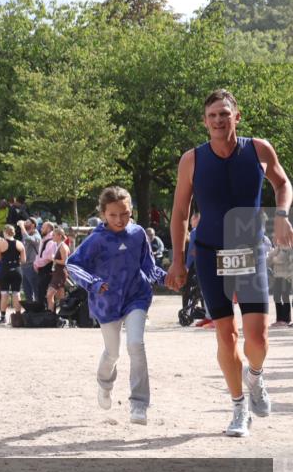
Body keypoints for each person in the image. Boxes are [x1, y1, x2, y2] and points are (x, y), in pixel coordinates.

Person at [167, 89, 293, 437]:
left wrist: (281, 215)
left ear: (237, 116)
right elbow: (179, 212)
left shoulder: (259, 149)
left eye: (225, 114)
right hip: (209, 252)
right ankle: (238, 407)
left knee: (259, 337)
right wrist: (178, 261)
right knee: (226, 334)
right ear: (205, 123)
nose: (219, 121)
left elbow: (283, 183)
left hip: (250, 249)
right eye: (213, 116)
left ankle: (255, 376)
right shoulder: (191, 160)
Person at [67, 187, 166, 425]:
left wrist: (167, 278)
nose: (120, 220)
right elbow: (72, 265)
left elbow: (149, 267)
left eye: (125, 214)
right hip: (106, 302)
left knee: (136, 344)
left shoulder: (138, 234)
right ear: (103, 214)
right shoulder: (96, 240)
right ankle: (104, 384)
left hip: (136, 296)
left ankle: (139, 404)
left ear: (131, 211)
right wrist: (93, 282)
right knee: (112, 353)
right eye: (113, 215)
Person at [0, 224, 26, 324]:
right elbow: (24, 260)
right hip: (17, 269)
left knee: (4, 294)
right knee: (17, 294)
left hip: (5, 269)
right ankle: (18, 316)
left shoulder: (1, 243)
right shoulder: (20, 243)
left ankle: (3, 317)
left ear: (4, 232)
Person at [267, 239, 292, 326]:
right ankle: (280, 319)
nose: (276, 240)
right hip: (277, 276)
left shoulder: (287, 248)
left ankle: (286, 319)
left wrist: (273, 258)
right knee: (276, 297)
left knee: (285, 297)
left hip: (286, 277)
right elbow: (268, 259)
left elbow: (280, 259)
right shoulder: (278, 248)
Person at [17, 219, 42, 303]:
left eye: (28, 222)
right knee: (27, 290)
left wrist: (21, 226)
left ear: (33, 225)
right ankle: (30, 310)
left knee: (36, 289)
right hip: (24, 265)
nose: (25, 223)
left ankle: (39, 309)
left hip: (32, 266)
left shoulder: (37, 235)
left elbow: (28, 239)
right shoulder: (26, 234)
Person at [45, 227, 69, 312]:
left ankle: (51, 313)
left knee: (49, 294)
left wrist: (53, 259)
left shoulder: (63, 247)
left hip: (60, 273)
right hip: (57, 272)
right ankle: (62, 315)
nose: (52, 237)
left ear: (59, 236)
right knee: (60, 295)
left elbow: (65, 261)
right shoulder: (58, 245)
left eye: (54, 235)